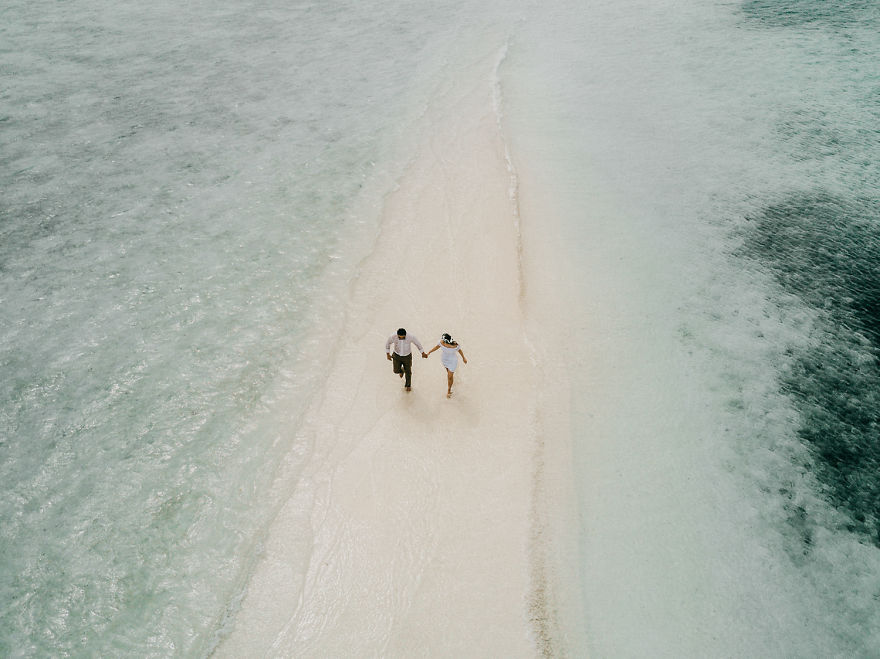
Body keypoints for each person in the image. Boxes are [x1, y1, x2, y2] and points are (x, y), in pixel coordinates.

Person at [425, 333, 468, 398]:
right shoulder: (441, 342)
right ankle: (451, 379)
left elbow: (460, 351)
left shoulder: (455, 345)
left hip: (453, 361)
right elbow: (436, 347)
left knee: (449, 377)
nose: (442, 340)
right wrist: (429, 352)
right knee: (448, 373)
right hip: (444, 360)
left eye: (443, 339)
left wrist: (463, 358)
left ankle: (449, 390)